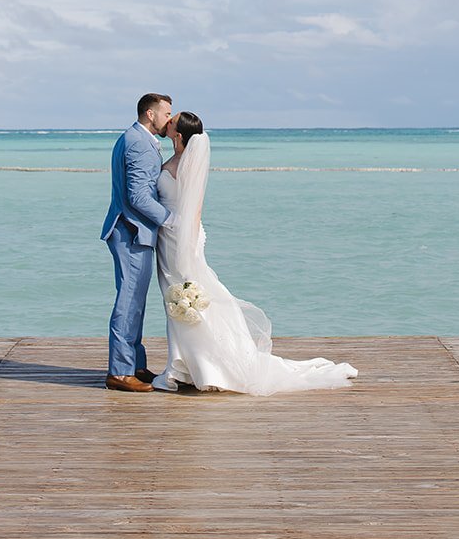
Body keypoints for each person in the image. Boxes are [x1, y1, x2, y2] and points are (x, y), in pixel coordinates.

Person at [152, 112, 358, 395]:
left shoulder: (190, 163)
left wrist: (187, 244)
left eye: (172, 120)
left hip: (182, 238)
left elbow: (195, 208)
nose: (168, 121)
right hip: (168, 237)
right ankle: (186, 365)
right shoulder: (173, 158)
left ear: (178, 133)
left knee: (188, 294)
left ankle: (202, 366)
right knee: (181, 297)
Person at [100, 93, 174, 392]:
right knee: (129, 302)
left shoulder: (133, 137)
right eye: (167, 113)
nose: (170, 118)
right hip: (131, 231)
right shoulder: (140, 143)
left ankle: (135, 365)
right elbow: (139, 196)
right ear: (150, 114)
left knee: (136, 303)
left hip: (132, 230)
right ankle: (119, 372)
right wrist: (171, 220)